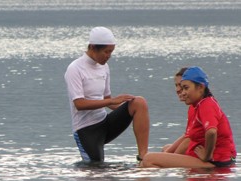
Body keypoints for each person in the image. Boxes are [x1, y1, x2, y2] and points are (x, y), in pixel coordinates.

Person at [64, 27, 150, 162]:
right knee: (96, 172)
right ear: (93, 48)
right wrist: (112, 101)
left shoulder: (104, 67)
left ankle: (143, 157)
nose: (109, 56)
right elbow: (79, 104)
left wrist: (131, 112)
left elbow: (106, 98)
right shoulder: (74, 68)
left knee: (139, 102)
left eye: (111, 52)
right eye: (107, 51)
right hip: (86, 130)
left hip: (105, 123)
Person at [141, 67, 237, 168]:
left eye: (186, 88)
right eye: (182, 88)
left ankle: (163, 180)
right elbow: (189, 136)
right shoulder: (197, 105)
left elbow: (211, 131)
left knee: (149, 159)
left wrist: (206, 156)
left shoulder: (207, 104)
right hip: (209, 159)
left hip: (216, 163)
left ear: (200, 87)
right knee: (163, 151)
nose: (182, 92)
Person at [161, 67, 191, 154]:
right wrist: (166, 154)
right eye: (176, 85)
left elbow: (189, 140)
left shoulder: (202, 106)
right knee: (166, 148)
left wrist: (167, 158)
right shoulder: (193, 107)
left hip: (215, 158)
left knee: (149, 159)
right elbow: (187, 136)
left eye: (182, 86)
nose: (177, 90)